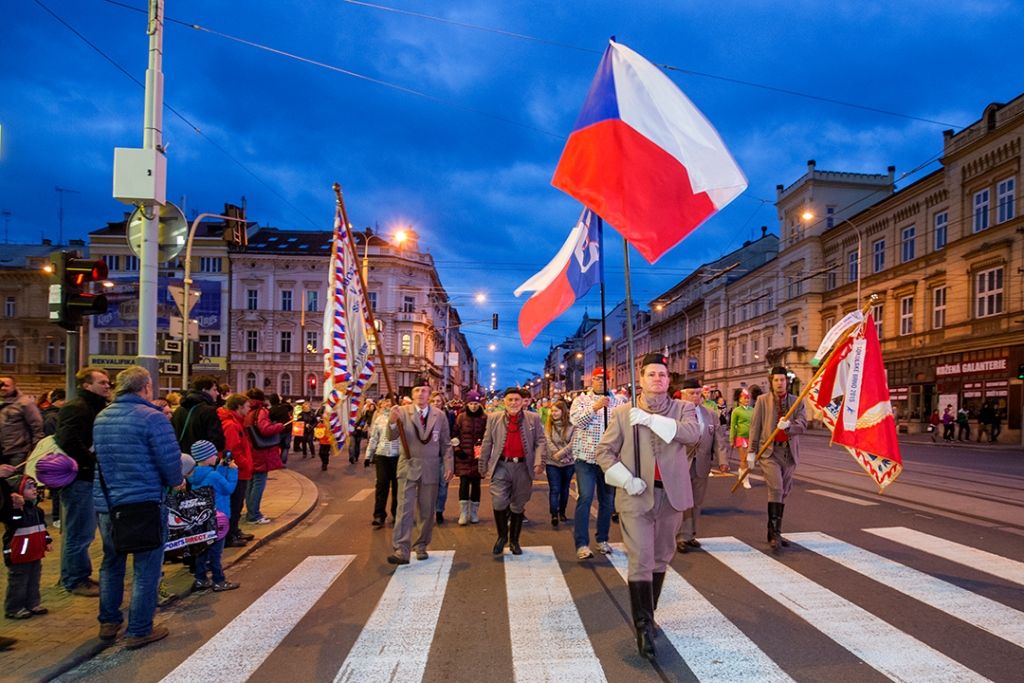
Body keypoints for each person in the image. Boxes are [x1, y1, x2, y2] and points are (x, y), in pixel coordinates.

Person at [595, 353, 701, 660]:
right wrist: (626, 480)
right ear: (640, 379)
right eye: (651, 374)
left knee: (661, 557)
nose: (657, 379)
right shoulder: (623, 413)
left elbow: (693, 434)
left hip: (671, 496)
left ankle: (649, 613)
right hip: (636, 496)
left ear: (669, 381)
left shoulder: (685, 408)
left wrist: (652, 420)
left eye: (662, 375)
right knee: (641, 557)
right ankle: (642, 626)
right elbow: (604, 453)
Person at [92, 365, 185, 649]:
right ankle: (140, 629)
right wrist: (176, 481)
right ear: (145, 387)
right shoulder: (153, 418)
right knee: (147, 567)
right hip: (143, 502)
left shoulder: (102, 417)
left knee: (111, 562)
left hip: (108, 503)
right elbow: (169, 462)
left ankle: (108, 622)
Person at [55, 367, 111, 597]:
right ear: (87, 385)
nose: (107, 386)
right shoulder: (77, 408)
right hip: (80, 479)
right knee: (79, 530)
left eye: (108, 382)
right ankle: (74, 579)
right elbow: (67, 440)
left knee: (83, 530)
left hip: (89, 477)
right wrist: (90, 462)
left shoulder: (96, 407)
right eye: (102, 382)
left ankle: (79, 574)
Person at [385, 381, 454, 565]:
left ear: (429, 394)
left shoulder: (439, 415)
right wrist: (392, 421)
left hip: (431, 467)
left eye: (424, 391)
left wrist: (448, 466)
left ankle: (421, 544)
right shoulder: (402, 411)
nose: (421, 394)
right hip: (408, 465)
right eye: (417, 390)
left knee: (427, 510)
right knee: (404, 510)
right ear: (412, 393)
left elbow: (446, 443)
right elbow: (390, 437)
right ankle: (401, 549)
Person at [478, 388, 546, 556]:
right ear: (504, 402)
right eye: (510, 400)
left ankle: (514, 541)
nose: (514, 403)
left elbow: (540, 441)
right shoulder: (493, 418)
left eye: (517, 400)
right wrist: (482, 464)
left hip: (523, 467)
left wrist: (539, 462)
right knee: (499, 501)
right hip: (501, 466)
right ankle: (502, 536)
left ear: (522, 402)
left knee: (518, 505)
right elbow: (487, 442)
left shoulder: (533, 419)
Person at [748, 366, 807, 551]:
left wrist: (789, 426)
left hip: (789, 454)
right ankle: (775, 535)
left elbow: (803, 424)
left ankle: (773, 530)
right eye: (776, 380)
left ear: (786, 382)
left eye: (782, 380)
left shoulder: (796, 401)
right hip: (769, 453)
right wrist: (751, 451)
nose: (779, 383)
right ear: (771, 381)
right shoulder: (762, 401)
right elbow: (755, 427)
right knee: (776, 488)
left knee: (784, 492)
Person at [569, 367, 625, 559]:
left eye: (605, 379)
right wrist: (595, 407)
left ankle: (602, 538)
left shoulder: (619, 402)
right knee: (585, 498)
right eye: (598, 379)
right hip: (586, 457)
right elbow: (577, 422)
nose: (601, 382)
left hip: (609, 459)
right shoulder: (581, 400)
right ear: (591, 381)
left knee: (607, 501)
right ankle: (582, 543)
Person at [675, 379, 728, 552]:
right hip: (681, 462)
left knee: (697, 501)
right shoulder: (675, 413)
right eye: (692, 393)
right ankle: (680, 536)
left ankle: (691, 534)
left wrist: (723, 461)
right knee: (683, 500)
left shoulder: (710, 414)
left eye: (698, 393)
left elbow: (718, 438)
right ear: (683, 394)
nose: (696, 396)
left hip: (702, 463)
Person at [187, 440, 240, 592]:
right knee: (216, 552)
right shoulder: (214, 475)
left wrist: (221, 468)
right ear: (208, 456)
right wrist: (232, 471)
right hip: (219, 517)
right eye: (213, 453)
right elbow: (228, 488)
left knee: (202, 549)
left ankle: (201, 578)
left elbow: (215, 481)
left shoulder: (195, 474)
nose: (216, 455)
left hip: (204, 518)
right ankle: (219, 580)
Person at [3, 474, 51, 619]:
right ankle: (14, 607)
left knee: (34, 579)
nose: (34, 489)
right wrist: (17, 508)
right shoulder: (14, 512)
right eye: (29, 487)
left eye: (34, 486)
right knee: (18, 581)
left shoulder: (38, 511)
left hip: (34, 552)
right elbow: (13, 522)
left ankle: (33, 603)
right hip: (19, 553)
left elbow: (42, 528)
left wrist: (46, 541)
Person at [243, 389, 285, 525]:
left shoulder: (248, 411)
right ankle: (254, 514)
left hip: (251, 449)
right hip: (261, 451)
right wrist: (278, 426)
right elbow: (265, 429)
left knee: (251, 482)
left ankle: (251, 511)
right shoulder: (261, 411)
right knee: (259, 482)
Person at [217, 394, 255, 547]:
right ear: (239, 407)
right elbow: (231, 450)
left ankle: (234, 530)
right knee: (234, 503)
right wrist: (245, 464)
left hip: (240, 471)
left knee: (238, 503)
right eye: (246, 406)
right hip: (236, 471)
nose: (249, 408)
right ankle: (230, 535)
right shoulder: (231, 425)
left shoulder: (236, 422)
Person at [452, 391, 487, 526]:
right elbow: (454, 434)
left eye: (476, 404)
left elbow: (488, 436)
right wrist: (457, 449)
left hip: (478, 457)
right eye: (471, 403)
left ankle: (474, 512)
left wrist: (482, 447)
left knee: (477, 485)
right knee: (464, 484)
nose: (473, 406)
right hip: (464, 457)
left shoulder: (484, 418)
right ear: (467, 404)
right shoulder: (461, 418)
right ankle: (463, 512)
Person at [366, 397, 399, 528]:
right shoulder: (379, 419)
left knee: (398, 487)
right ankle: (379, 515)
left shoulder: (401, 418)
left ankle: (396, 513)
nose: (388, 404)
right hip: (382, 456)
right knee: (381, 486)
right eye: (386, 402)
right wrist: (368, 455)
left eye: (390, 402)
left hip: (398, 456)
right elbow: (374, 438)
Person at [171, 376, 225, 454]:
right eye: (214, 389)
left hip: (182, 459)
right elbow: (218, 442)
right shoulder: (209, 411)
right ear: (204, 390)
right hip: (202, 460)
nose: (217, 393)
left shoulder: (179, 410)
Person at [543, 399, 575, 528]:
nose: (553, 413)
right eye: (552, 411)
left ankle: (562, 511)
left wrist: (562, 455)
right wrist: (557, 455)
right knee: (555, 489)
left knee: (565, 488)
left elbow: (573, 443)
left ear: (563, 411)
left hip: (568, 462)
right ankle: (554, 514)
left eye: (556, 410)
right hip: (552, 462)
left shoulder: (572, 425)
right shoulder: (548, 425)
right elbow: (548, 441)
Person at [0, 377, 44, 468]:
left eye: (6, 386)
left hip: (17, 451)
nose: (2, 388)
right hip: (3, 449)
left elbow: (37, 425)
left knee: (13, 479)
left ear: (14, 386)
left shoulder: (25, 403)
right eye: (1, 385)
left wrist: (36, 448)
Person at [429, 391, 452, 524]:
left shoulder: (449, 416)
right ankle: (429, 511)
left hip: (443, 455)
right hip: (429, 456)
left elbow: (452, 433)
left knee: (443, 485)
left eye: (438, 401)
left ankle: (439, 511)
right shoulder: (426, 416)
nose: (436, 403)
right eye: (433, 401)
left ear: (442, 402)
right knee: (430, 486)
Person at [730, 389, 754, 489]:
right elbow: (733, 425)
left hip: (751, 438)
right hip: (741, 437)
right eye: (745, 398)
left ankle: (741, 473)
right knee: (744, 459)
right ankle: (746, 479)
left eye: (748, 398)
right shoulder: (736, 411)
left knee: (751, 460)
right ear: (740, 399)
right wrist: (732, 439)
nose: (747, 400)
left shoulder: (752, 410)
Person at [268, 394, 293, 465]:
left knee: (277, 446)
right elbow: (290, 407)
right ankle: (283, 462)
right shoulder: (284, 407)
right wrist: (282, 400)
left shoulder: (271, 410)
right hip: (288, 429)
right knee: (286, 447)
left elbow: (270, 421)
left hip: (278, 430)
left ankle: (278, 462)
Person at [350, 399, 375, 465]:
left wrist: (361, 426)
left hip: (358, 430)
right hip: (352, 430)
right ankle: (351, 457)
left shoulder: (364, 411)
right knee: (351, 445)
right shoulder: (350, 413)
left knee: (357, 444)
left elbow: (364, 419)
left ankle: (356, 457)